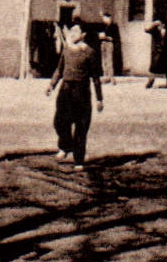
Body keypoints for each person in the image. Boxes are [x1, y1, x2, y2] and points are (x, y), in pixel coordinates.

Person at [47, 21, 103, 168]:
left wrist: (99, 99)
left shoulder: (90, 52)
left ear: (83, 35)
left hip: (82, 92)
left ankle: (79, 160)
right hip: (65, 90)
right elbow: (59, 70)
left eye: (76, 31)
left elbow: (95, 78)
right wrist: (51, 85)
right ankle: (65, 146)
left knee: (81, 126)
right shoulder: (66, 49)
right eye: (71, 31)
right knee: (59, 122)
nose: (72, 34)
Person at [144, 17, 167, 90]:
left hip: (166, 53)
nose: (158, 27)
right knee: (153, 68)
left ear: (163, 25)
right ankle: (150, 82)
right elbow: (146, 30)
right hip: (157, 53)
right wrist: (153, 24)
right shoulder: (155, 31)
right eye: (157, 25)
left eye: (159, 25)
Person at [97, 12, 121, 83]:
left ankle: (111, 77)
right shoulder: (103, 26)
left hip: (109, 44)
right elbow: (99, 35)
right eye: (103, 19)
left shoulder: (114, 26)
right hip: (103, 43)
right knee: (103, 61)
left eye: (105, 18)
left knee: (109, 61)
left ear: (109, 18)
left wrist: (106, 37)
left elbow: (115, 38)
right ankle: (105, 76)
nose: (104, 20)